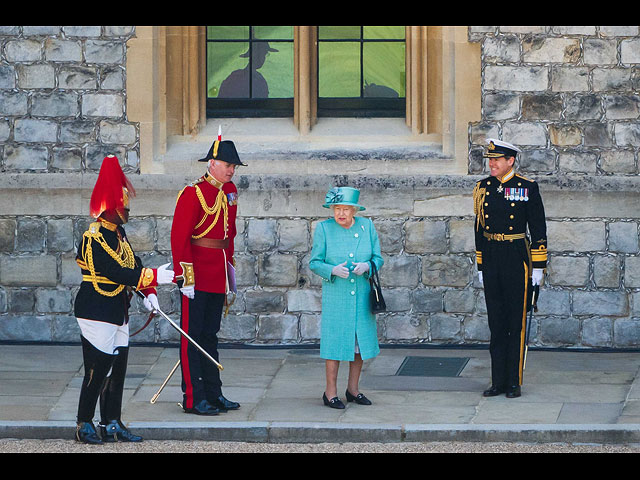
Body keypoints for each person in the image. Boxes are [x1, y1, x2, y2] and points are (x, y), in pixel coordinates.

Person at [74, 155, 174, 444]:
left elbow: (134, 264)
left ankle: (112, 422)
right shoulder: (93, 239)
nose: (126, 210)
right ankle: (84, 423)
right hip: (96, 308)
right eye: (121, 206)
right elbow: (116, 272)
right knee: (98, 368)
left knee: (117, 367)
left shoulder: (119, 234)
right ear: (108, 209)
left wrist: (149, 293)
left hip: (118, 308)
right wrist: (155, 277)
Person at [170, 131, 246, 416]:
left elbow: (230, 236)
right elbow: (180, 239)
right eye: (227, 164)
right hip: (197, 274)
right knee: (191, 337)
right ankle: (193, 397)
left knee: (210, 336)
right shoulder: (193, 193)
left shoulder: (228, 192)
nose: (231, 169)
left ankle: (214, 393)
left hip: (217, 274)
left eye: (233, 166)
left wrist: (229, 273)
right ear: (212, 163)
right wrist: (184, 276)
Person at [473, 139, 548, 399]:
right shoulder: (483, 188)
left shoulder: (527, 187)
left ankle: (513, 382)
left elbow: (538, 229)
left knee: (515, 320)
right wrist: (480, 263)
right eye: (490, 160)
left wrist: (538, 267)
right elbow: (479, 229)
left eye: (497, 159)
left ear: (510, 161)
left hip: (517, 256)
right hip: (492, 255)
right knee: (496, 321)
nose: (491, 164)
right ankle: (498, 381)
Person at [309, 187, 384, 408]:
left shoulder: (367, 226)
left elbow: (378, 258)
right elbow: (314, 262)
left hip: (361, 294)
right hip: (337, 296)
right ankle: (330, 392)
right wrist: (331, 270)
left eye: (345, 209)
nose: (340, 213)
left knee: (359, 344)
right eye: (337, 209)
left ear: (354, 210)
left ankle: (353, 389)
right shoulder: (324, 229)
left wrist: (367, 266)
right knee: (335, 344)